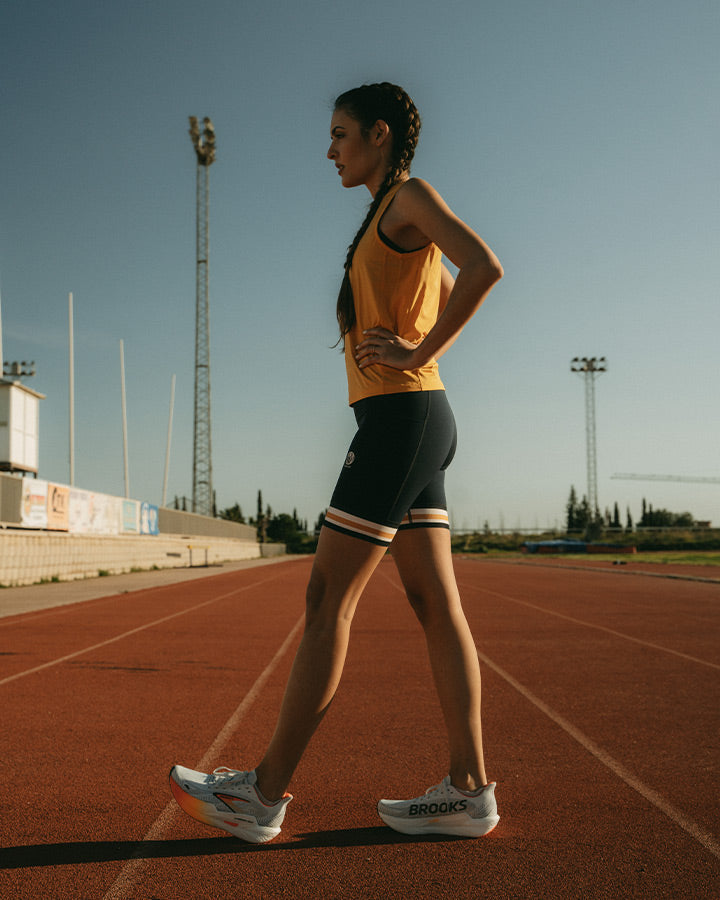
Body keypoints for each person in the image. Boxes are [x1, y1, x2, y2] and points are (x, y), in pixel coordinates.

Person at [169, 82, 503, 843]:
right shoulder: (387, 217)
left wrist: (420, 349)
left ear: (378, 135)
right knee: (433, 605)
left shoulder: (409, 196)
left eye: (340, 134)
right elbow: (443, 284)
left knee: (327, 600)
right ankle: (468, 788)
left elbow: (483, 267)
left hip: (399, 420)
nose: (329, 150)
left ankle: (261, 795)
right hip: (417, 416)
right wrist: (421, 337)